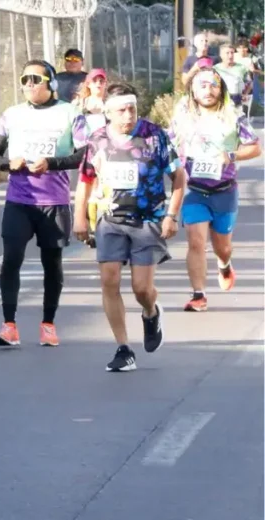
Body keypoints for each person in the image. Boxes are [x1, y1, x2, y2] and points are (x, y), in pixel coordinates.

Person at [73, 83, 185, 372]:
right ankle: (123, 348)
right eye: (121, 110)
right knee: (109, 281)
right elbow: (85, 181)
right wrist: (80, 218)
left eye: (132, 108)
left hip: (147, 221)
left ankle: (151, 312)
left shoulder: (154, 136)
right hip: (110, 220)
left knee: (141, 288)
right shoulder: (97, 140)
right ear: (108, 112)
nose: (128, 115)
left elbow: (179, 178)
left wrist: (171, 215)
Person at [0, 61, 86, 348]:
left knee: (51, 264)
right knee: (11, 259)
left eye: (36, 79)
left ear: (51, 83)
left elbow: (83, 154)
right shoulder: (11, 115)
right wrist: (7, 164)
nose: (29, 84)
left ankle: (48, 324)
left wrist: (52, 164)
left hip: (54, 202)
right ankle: (9, 326)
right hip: (19, 200)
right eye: (24, 79)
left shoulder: (70, 114)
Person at [170, 68, 261, 312]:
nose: (208, 91)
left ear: (220, 90)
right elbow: (167, 144)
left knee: (223, 247)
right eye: (202, 86)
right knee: (196, 242)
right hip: (195, 191)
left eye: (213, 85)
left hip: (225, 190)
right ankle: (198, 295)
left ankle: (224, 263)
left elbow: (255, 148)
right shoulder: (183, 117)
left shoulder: (234, 116)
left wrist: (230, 155)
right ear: (193, 90)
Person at [72, 68, 109, 248]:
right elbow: (75, 128)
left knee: (100, 190)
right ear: (88, 84)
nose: (99, 84)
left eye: (102, 81)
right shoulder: (80, 104)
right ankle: (91, 226)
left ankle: (97, 227)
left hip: (105, 151)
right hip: (86, 149)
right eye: (95, 81)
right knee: (89, 188)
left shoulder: (109, 104)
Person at [214, 43, 254, 110]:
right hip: (220, 100)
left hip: (237, 100)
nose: (230, 56)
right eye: (227, 53)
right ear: (221, 55)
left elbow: (250, 82)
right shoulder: (215, 69)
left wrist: (245, 94)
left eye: (232, 53)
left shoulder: (242, 68)